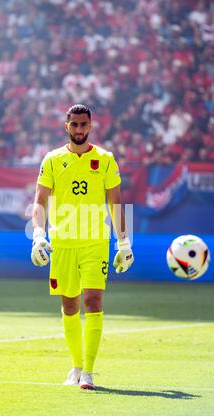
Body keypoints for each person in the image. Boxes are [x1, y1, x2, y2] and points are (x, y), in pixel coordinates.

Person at [31, 104, 134, 390]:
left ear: (90, 126)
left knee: (93, 302)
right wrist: (38, 234)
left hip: (95, 243)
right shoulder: (52, 159)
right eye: (74, 125)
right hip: (62, 243)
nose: (79, 129)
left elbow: (116, 203)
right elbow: (39, 202)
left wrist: (123, 242)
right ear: (67, 126)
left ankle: (88, 371)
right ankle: (75, 366)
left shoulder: (105, 159)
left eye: (83, 125)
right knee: (69, 305)